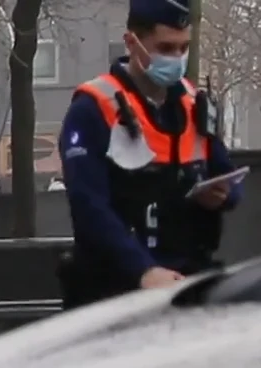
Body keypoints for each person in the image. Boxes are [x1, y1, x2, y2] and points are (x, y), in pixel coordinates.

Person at [56, 0, 239, 309]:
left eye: (184, 48)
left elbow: (227, 175)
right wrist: (144, 270)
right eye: (165, 48)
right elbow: (89, 206)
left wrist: (224, 194)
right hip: (114, 287)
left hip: (187, 279)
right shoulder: (93, 108)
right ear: (132, 42)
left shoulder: (195, 105)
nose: (177, 59)